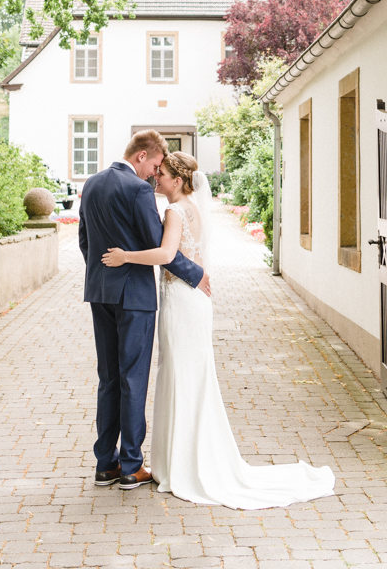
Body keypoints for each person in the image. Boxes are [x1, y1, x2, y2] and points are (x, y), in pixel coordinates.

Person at [102, 152, 336, 509]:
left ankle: (182, 464)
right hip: (193, 301)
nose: (156, 180)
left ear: (177, 181)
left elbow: (166, 256)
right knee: (191, 378)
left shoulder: (174, 211)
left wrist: (125, 256)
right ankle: (182, 459)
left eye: (161, 175)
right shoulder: (194, 208)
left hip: (181, 301)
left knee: (180, 377)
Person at [77, 130, 211, 491]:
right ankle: (131, 466)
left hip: (99, 293)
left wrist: (103, 275)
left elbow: (85, 242)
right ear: (141, 156)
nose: (155, 173)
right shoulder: (136, 190)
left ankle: (105, 464)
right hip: (134, 296)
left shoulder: (91, 183)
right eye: (155, 164)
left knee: (108, 378)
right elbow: (159, 244)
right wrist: (196, 275)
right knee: (132, 378)